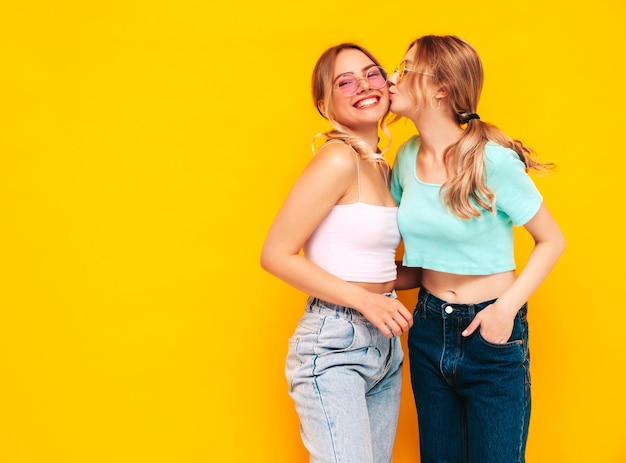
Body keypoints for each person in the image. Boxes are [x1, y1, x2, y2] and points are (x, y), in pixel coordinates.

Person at [388, 35, 566, 463]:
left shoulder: (492, 161)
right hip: (428, 328)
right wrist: (353, 283)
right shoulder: (405, 158)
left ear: (441, 89)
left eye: (406, 67)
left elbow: (552, 239)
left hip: (491, 332)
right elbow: (420, 261)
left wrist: (505, 310)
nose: (391, 77)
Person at [260, 43, 415, 463]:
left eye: (372, 73)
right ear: (324, 103)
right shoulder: (336, 159)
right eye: (345, 81)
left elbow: (373, 267)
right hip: (335, 342)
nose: (363, 85)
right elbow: (275, 254)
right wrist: (366, 301)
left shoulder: (381, 166)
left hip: (383, 344)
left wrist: (454, 272)